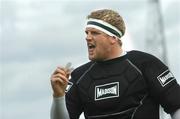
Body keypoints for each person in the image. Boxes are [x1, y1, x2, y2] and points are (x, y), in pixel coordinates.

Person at [50, 9, 180, 119]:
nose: (87, 37)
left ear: (113, 38)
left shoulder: (145, 63)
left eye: (94, 33)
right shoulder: (79, 75)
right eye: (87, 32)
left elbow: (176, 105)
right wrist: (58, 96)